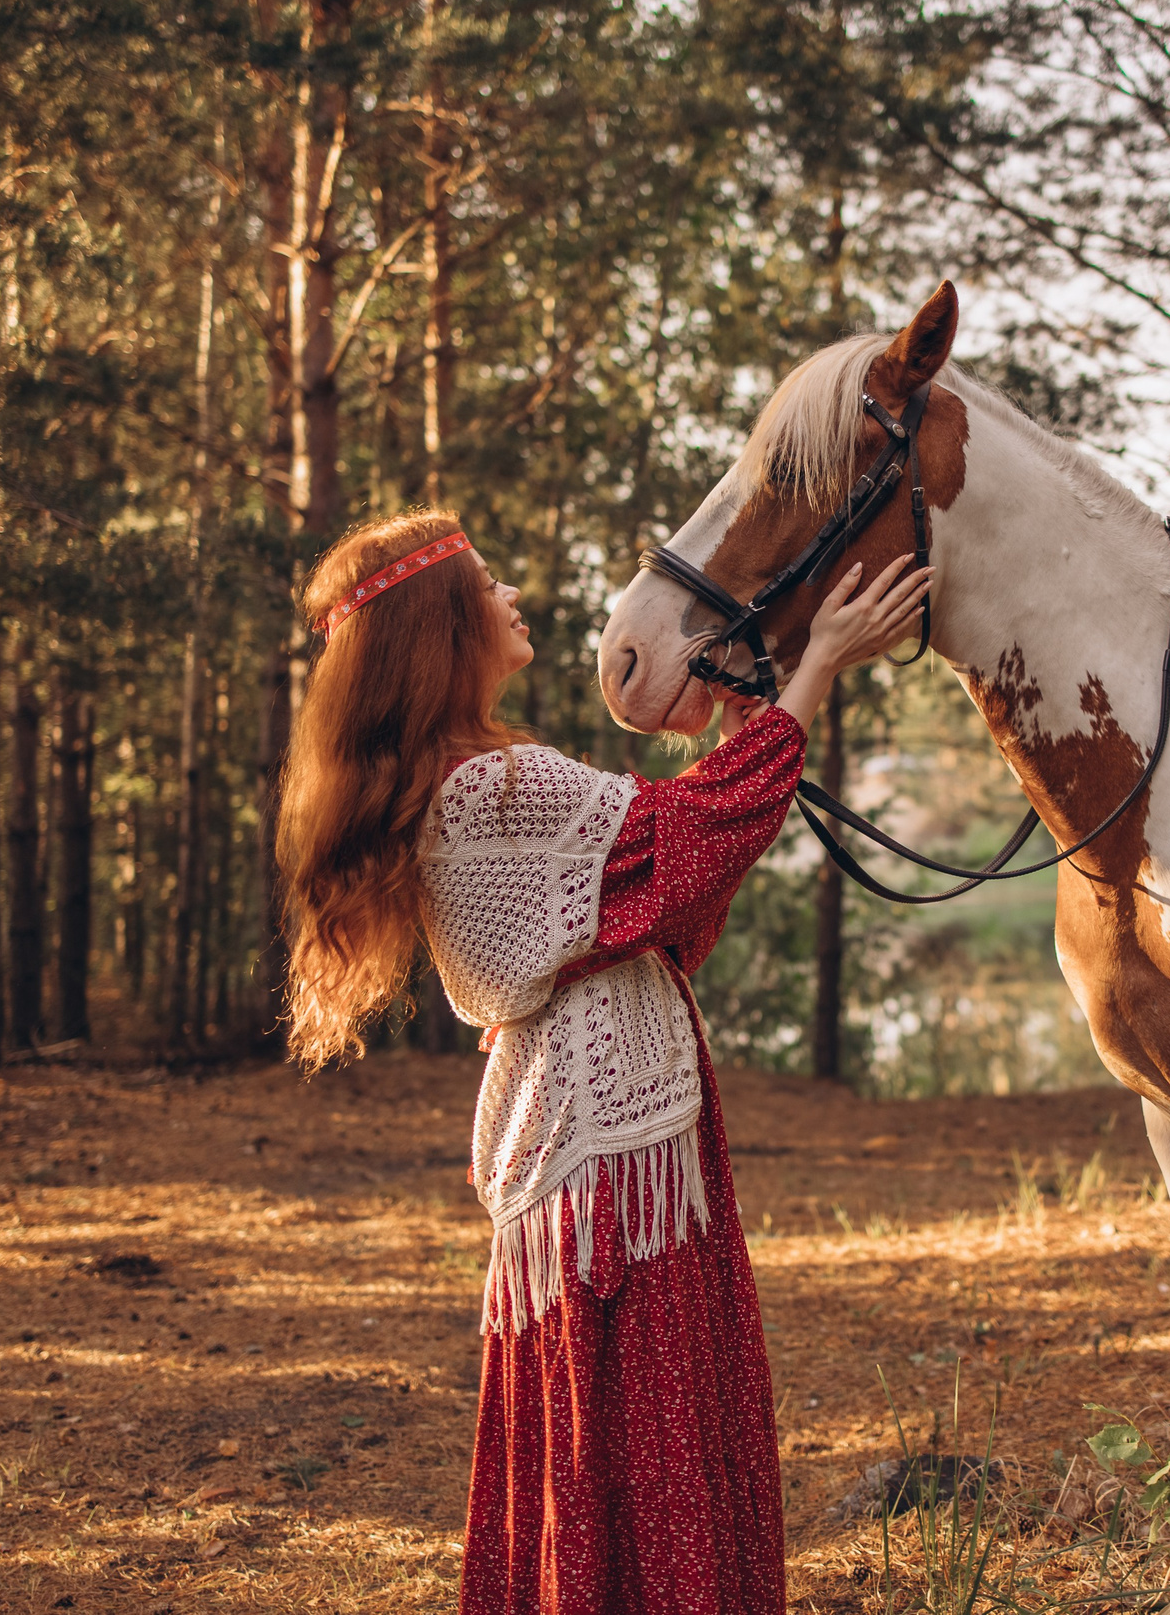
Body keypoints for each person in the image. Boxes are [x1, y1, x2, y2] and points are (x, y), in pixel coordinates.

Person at [276, 508, 932, 1615]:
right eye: (487, 586)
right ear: (443, 628)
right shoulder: (494, 787)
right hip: (607, 1159)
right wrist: (818, 664)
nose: (512, 600)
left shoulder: (473, 775)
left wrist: (743, 722)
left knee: (614, 1439)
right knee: (650, 1415)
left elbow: (656, 884)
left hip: (588, 1134)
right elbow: (694, 836)